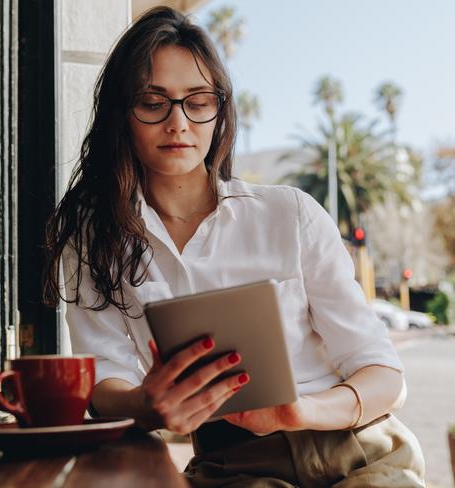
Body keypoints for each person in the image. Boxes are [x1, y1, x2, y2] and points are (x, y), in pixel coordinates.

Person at [43, 6, 425, 487]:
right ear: (122, 114)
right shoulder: (94, 241)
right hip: (234, 468)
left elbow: (385, 376)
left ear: (219, 110)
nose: (178, 123)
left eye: (197, 101)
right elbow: (104, 382)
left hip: (361, 449)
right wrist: (147, 403)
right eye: (152, 101)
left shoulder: (290, 214)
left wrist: (299, 412)